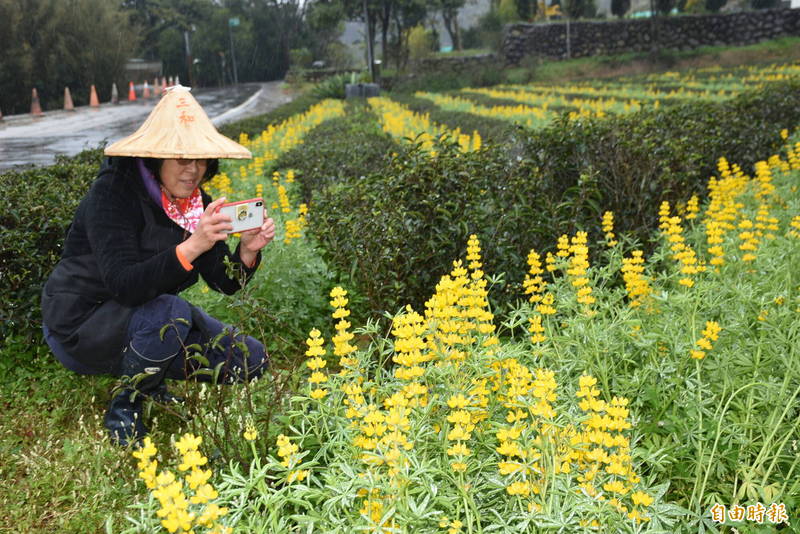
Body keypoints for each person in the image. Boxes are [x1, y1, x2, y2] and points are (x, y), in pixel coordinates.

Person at [41, 85, 275, 446]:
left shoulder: (197, 204)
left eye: (201, 160)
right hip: (82, 322)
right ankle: (126, 407)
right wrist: (193, 244)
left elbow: (224, 282)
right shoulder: (113, 193)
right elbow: (125, 286)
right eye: (182, 159)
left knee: (251, 358)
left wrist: (247, 252)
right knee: (172, 312)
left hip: (152, 319)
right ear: (155, 157)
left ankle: (152, 375)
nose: (193, 170)